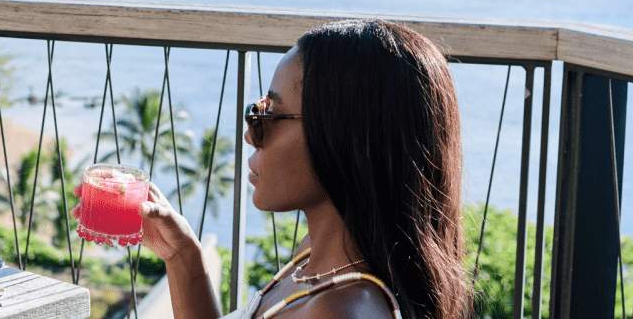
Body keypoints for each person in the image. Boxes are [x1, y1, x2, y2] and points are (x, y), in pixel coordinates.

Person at [76, 19, 470, 319]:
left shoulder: (344, 309)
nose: (251, 135)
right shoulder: (320, 258)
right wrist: (182, 256)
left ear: (340, 135)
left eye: (267, 115)